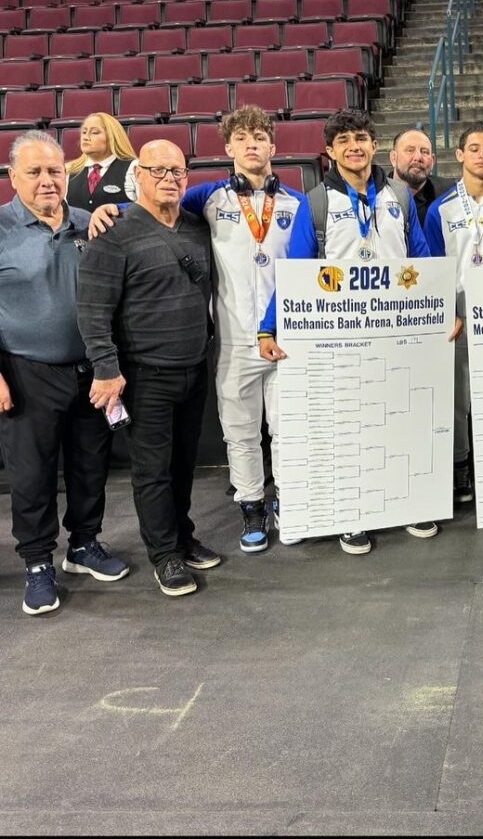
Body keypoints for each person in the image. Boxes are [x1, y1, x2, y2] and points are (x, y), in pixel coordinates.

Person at [91, 106, 317, 555]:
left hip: (288, 339)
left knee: (290, 430)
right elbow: (156, 209)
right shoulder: (207, 199)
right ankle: (251, 505)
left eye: (260, 136)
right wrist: (109, 209)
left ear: (274, 146)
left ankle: (289, 501)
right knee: (241, 433)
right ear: (228, 147)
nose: (251, 144)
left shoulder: (299, 203)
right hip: (232, 342)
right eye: (242, 137)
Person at [264, 109, 434, 554]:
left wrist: (445, 309)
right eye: (344, 141)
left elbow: (424, 258)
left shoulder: (398, 196)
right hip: (343, 334)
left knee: (403, 418)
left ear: (373, 144)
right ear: (329, 151)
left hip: (398, 328)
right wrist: (268, 326)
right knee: (352, 425)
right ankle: (352, 512)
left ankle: (409, 501)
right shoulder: (316, 203)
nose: (354, 146)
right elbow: (295, 271)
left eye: (361, 138)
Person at [77, 139, 219, 598]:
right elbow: (92, 310)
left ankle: (182, 536)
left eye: (177, 171)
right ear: (137, 173)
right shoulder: (114, 232)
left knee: (182, 463)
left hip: (194, 367)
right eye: (158, 171)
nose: (169, 180)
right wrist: (106, 368)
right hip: (145, 375)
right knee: (152, 469)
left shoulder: (197, 227)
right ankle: (164, 555)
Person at [0, 131, 128, 615]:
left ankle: (84, 545)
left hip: (92, 372)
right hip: (26, 370)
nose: (47, 181)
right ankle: (37, 563)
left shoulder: (89, 224)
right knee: (32, 476)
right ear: (13, 177)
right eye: (34, 172)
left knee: (89, 464)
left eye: (55, 171)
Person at [424, 123, 483, 507]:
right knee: (457, 395)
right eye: (474, 148)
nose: (482, 155)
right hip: (456, 305)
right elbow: (433, 264)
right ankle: (459, 465)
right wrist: (442, 310)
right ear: (459, 155)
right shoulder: (441, 207)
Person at [65, 112, 138, 212]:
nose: (86, 137)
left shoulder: (133, 167)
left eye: (95, 132)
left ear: (112, 137)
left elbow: (146, 210)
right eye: (84, 132)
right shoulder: (69, 171)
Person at [387, 127, 451, 228]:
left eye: (425, 152)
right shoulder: (377, 195)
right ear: (393, 158)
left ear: (433, 161)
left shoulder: (448, 194)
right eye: (410, 150)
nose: (418, 157)